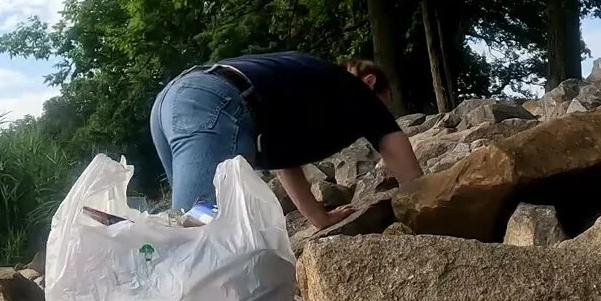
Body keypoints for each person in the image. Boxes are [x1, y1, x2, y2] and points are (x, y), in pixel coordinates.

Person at [149, 52, 422, 229]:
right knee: (197, 233)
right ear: (371, 82)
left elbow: (285, 164)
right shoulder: (356, 90)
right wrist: (422, 201)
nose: (384, 115)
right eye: (386, 106)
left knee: (184, 223)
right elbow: (391, 140)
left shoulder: (309, 94)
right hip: (213, 103)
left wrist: (319, 218)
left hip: (173, 103)